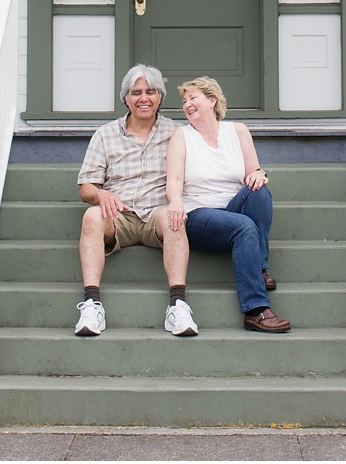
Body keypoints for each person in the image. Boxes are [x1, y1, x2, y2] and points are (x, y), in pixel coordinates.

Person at [74, 63, 196, 338]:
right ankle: (92, 305)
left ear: (160, 97)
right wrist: (100, 193)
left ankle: (178, 305)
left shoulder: (177, 133)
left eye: (151, 92)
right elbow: (86, 187)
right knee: (91, 216)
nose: (144, 98)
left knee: (175, 217)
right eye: (136, 92)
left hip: (158, 212)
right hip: (120, 214)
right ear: (126, 98)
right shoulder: (105, 134)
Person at [165, 77, 291, 334]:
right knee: (244, 225)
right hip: (199, 214)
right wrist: (175, 202)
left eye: (193, 98)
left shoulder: (238, 131)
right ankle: (256, 311)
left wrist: (257, 174)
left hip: (233, 207)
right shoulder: (182, 135)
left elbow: (252, 171)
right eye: (184, 101)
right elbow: (174, 178)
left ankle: (260, 267)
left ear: (212, 101)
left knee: (259, 190)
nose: (187, 105)